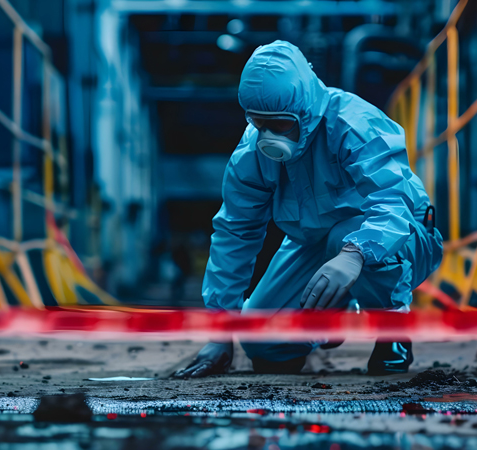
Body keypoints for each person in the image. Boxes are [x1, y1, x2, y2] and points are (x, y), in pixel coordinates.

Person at [174, 41, 443, 379]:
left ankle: (392, 328)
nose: (269, 137)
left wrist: (354, 254)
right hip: (312, 241)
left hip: (399, 238)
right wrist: (221, 332)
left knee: (344, 236)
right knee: (263, 342)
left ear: (305, 110)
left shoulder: (354, 124)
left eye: (280, 125)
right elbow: (235, 233)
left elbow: (392, 201)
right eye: (260, 124)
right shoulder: (252, 154)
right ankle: (333, 316)